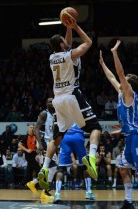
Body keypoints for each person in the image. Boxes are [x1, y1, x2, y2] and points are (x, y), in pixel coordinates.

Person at [36, 17, 102, 191]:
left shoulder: (52, 57)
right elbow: (88, 42)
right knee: (96, 128)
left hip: (57, 100)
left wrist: (68, 29)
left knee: (57, 137)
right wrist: (75, 26)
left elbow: (68, 43)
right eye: (65, 41)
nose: (67, 42)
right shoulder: (71, 55)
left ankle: (44, 168)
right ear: (62, 45)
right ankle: (92, 158)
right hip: (72, 95)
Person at [99, 40, 138, 209]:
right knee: (122, 167)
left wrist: (114, 52)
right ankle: (128, 200)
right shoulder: (121, 92)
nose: (123, 78)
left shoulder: (130, 93)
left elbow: (118, 72)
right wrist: (103, 64)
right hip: (129, 137)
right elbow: (112, 76)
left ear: (130, 83)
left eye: (126, 78)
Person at [53, 124, 96, 203]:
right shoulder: (79, 112)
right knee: (86, 166)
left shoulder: (63, 112)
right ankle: (89, 192)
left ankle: (57, 194)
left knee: (61, 168)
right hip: (78, 136)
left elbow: (55, 126)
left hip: (65, 137)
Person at [19, 125, 52, 201]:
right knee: (38, 169)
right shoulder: (26, 137)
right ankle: (38, 185)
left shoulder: (36, 136)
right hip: (29, 155)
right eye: (31, 127)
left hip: (35, 155)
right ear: (28, 129)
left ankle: (25, 183)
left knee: (29, 170)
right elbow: (19, 145)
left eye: (33, 127)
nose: (32, 129)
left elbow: (37, 146)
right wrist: (27, 150)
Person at [34, 98, 58, 192]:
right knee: (52, 166)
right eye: (49, 101)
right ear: (46, 103)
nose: (51, 103)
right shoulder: (44, 113)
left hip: (53, 142)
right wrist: (40, 144)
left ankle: (34, 183)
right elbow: (36, 129)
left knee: (47, 166)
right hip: (45, 142)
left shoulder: (56, 113)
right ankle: (46, 189)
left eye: (53, 101)